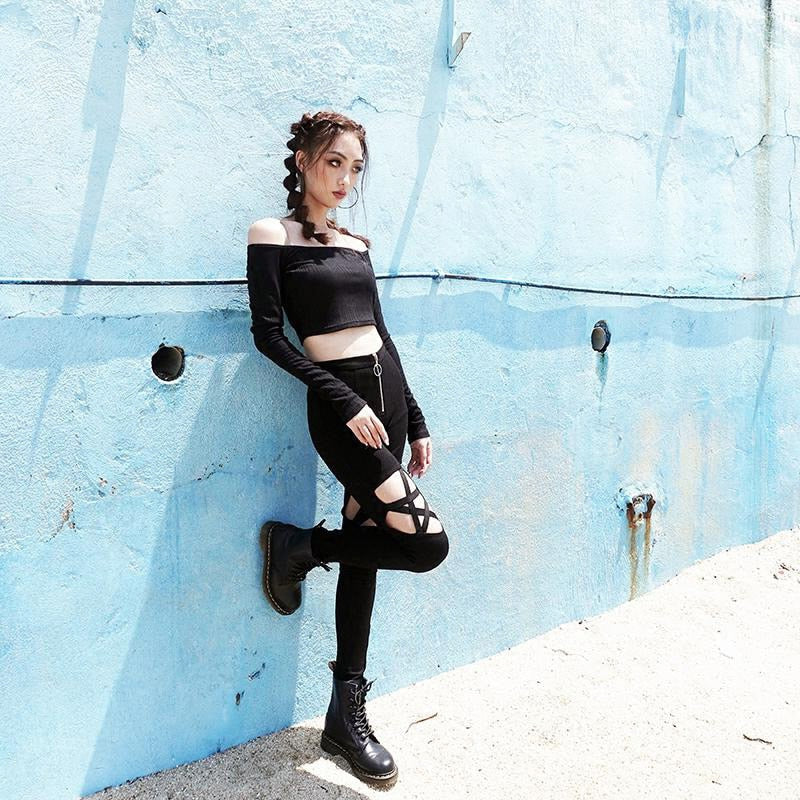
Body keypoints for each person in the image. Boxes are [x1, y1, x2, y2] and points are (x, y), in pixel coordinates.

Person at [245, 110, 449, 788]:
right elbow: (269, 337)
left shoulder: (357, 244)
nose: (344, 179)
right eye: (334, 162)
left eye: (355, 168)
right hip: (342, 411)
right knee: (427, 545)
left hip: (384, 404)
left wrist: (415, 418)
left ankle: (344, 713)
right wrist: (343, 399)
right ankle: (301, 547)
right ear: (303, 159)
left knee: (368, 551)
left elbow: (381, 334)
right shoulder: (272, 235)